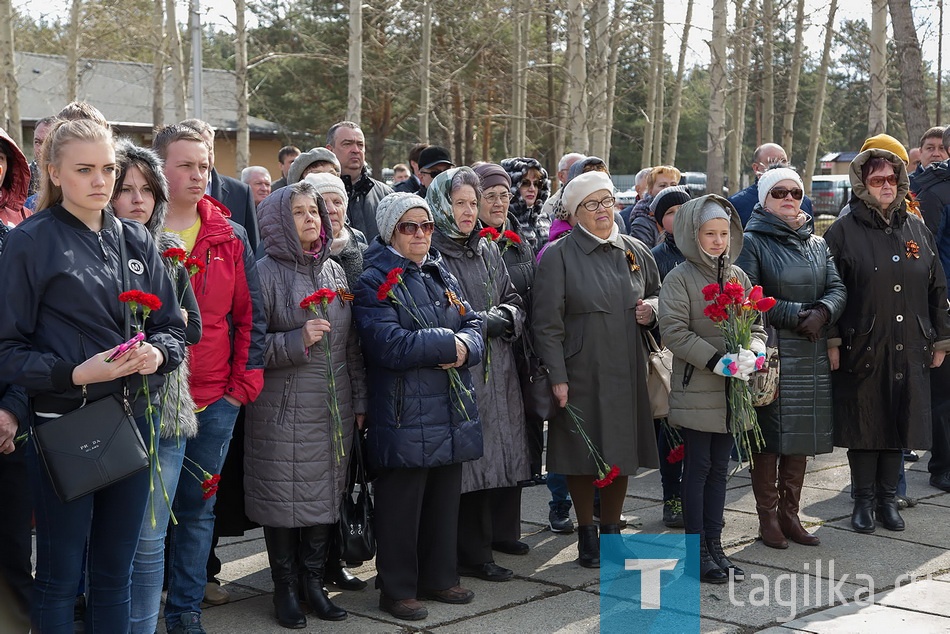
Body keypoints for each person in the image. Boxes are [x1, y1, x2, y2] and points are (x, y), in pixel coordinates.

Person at [0, 117, 186, 631]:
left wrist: (158, 355)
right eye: (85, 170)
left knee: (115, 573)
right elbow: (7, 350)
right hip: (64, 424)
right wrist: (72, 372)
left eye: (108, 168)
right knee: (60, 576)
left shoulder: (138, 242)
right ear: (55, 173)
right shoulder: (30, 243)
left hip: (132, 420)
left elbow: (173, 329)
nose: (101, 181)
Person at [154, 124, 265, 634]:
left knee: (198, 512)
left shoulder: (230, 234)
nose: (199, 175)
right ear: (160, 169)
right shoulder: (137, 231)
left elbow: (249, 317)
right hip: (150, 397)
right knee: (145, 515)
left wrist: (240, 388)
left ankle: (184, 613)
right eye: (186, 165)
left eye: (204, 165)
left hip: (216, 399)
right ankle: (129, 609)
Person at [353, 192, 483, 621]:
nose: (421, 235)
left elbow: (474, 320)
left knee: (444, 498)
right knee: (401, 505)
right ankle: (397, 588)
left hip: (448, 403)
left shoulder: (437, 268)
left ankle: (439, 576)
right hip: (404, 409)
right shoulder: (374, 279)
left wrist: (468, 345)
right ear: (391, 231)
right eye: (410, 227)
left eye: (426, 226)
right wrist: (451, 342)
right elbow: (388, 344)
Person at [245, 181, 367, 627]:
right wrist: (296, 341)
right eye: (299, 212)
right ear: (279, 220)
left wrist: (359, 397)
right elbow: (251, 346)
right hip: (283, 408)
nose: (311, 219)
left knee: (324, 496)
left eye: (314, 211)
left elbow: (350, 344)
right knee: (283, 498)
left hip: (331, 407)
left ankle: (314, 584)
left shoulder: (334, 271)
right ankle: (285, 589)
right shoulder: (263, 272)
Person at [533, 171, 660, 568]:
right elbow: (546, 324)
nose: (604, 210)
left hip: (627, 365)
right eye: (593, 204)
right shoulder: (558, 255)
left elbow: (659, 295)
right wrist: (557, 376)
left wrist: (651, 310)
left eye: (607, 201)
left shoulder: (636, 249)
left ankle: (612, 533)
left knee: (621, 448)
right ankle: (586, 532)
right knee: (579, 452)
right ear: (574, 213)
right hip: (580, 370)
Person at [823, 149, 950, 534]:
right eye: (878, 180)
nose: (886, 186)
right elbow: (829, 287)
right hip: (861, 344)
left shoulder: (915, 227)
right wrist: (831, 338)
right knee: (866, 424)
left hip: (910, 342)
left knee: (899, 421)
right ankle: (862, 501)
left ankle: (887, 500)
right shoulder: (843, 231)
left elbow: (937, 286)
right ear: (863, 183)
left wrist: (941, 340)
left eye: (892, 179)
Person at [108, 141, 203, 634]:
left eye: (147, 190)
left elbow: (196, 329)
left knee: (149, 539)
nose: (137, 199)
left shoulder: (169, 252)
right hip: (106, 411)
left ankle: (144, 626)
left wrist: (176, 326)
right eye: (126, 190)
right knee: (108, 540)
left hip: (164, 409)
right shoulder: (94, 251)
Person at [734, 167, 846, 549]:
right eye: (779, 192)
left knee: (799, 437)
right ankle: (767, 517)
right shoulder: (751, 241)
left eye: (795, 193)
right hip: (775, 352)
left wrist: (824, 312)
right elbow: (749, 296)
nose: (789, 199)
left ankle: (791, 514)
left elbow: (837, 286)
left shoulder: (816, 242)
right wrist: (800, 313)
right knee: (768, 439)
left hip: (811, 350)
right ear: (764, 198)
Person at [426, 167, 529, 581]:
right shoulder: (431, 251)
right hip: (460, 368)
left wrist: (505, 317)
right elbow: (440, 311)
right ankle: (470, 552)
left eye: (472, 203)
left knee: (498, 453)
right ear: (441, 206)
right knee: (469, 463)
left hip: (497, 366)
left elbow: (512, 298)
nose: (469, 212)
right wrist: (477, 325)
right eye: (459, 204)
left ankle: (488, 541)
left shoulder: (486, 248)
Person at [658, 194, 766, 583]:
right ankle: (696, 550)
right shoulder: (679, 278)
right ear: (693, 234)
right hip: (698, 386)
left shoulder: (737, 276)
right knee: (699, 468)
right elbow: (672, 329)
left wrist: (754, 351)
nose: (718, 241)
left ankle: (716, 547)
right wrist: (714, 360)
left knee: (721, 469)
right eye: (710, 233)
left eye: (723, 233)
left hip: (732, 391)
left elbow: (755, 324)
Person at [473, 163, 544, 489]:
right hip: (490, 347)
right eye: (490, 196)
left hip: (522, 344)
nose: (499, 203)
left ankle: (527, 472)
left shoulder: (519, 239)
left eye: (504, 195)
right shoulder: (471, 244)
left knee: (525, 419)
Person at [0, 130, 37, 633]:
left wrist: (11, 407)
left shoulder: (15, 240)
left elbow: (28, 330)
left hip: (8, 412)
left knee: (12, 544)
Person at [648, 185, 692, 529]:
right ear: (660, 221)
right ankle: (671, 495)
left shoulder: (705, 249)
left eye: (684, 210)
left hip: (705, 351)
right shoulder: (655, 256)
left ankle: (694, 493)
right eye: (670, 212)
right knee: (671, 427)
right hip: (669, 353)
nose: (678, 217)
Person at [914, 126, 950, 494]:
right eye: (931, 148)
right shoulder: (936, 193)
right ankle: (942, 466)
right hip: (946, 304)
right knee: (944, 392)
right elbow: (930, 256)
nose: (937, 153)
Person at [180, 118, 260, 253]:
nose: (202, 154)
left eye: (207, 147)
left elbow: (252, 250)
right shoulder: (163, 190)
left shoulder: (240, 192)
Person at [325, 121, 393, 241]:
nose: (356, 150)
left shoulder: (387, 195)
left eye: (360, 144)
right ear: (330, 150)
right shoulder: (315, 194)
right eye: (347, 144)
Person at [729, 143, 814, 226]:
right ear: (756, 168)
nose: (779, 166)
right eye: (772, 161)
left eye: (783, 161)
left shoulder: (804, 202)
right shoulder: (737, 204)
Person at [500, 157, 551, 256]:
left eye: (537, 184)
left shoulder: (545, 220)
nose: (532, 189)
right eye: (525, 183)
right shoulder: (503, 222)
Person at [627, 165, 681, 245]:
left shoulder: (684, 214)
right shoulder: (642, 222)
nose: (669, 189)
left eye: (673, 185)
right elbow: (642, 255)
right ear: (650, 190)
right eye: (663, 185)